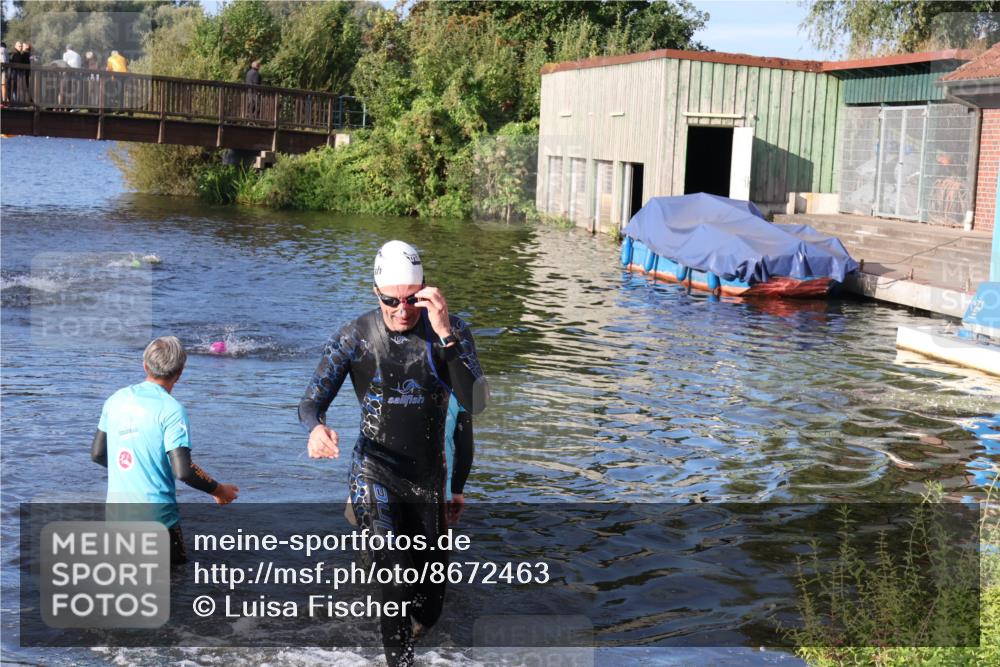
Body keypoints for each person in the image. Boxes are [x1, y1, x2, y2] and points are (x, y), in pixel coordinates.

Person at [299, 240, 488, 667]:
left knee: (429, 605)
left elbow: (475, 404)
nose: (403, 311)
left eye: (412, 300)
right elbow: (310, 402)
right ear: (375, 292)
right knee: (395, 575)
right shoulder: (355, 336)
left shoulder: (451, 331)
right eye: (391, 301)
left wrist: (444, 334)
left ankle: (400, 631)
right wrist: (315, 429)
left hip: (427, 479)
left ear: (426, 292)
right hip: (374, 470)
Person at [91, 336, 239, 565]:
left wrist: (135, 469)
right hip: (157, 522)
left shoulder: (116, 399)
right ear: (180, 372)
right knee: (174, 591)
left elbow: (98, 453)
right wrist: (219, 491)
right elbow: (184, 471)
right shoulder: (172, 410)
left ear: (145, 365)